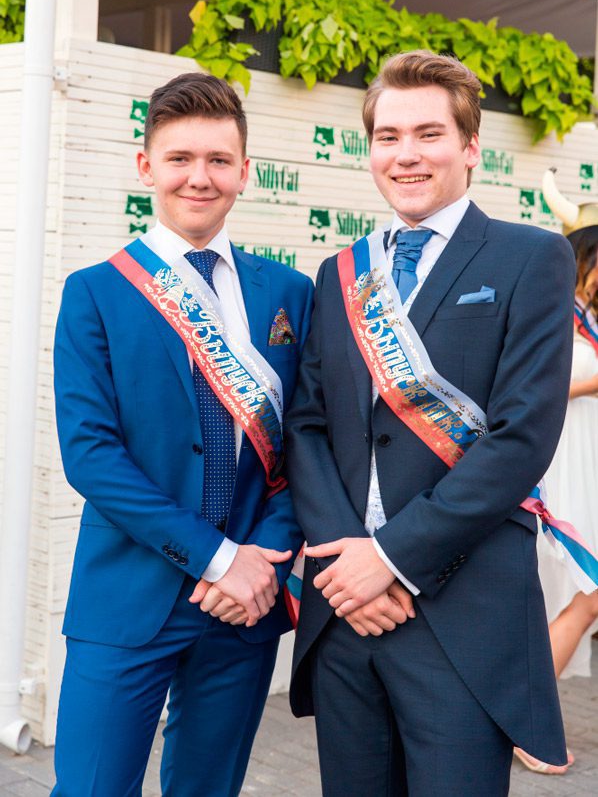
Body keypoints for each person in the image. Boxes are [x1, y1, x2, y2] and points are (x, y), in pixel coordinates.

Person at [285, 50, 575, 796]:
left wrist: (390, 558)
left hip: (462, 611)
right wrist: (348, 568)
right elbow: (307, 425)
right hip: (347, 612)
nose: (406, 154)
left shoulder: (532, 257)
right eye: (388, 137)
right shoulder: (339, 273)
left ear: (471, 146)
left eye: (429, 134)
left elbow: (521, 437)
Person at [52, 72, 313, 796]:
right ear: (146, 167)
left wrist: (262, 559)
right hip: (128, 597)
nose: (200, 177)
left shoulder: (289, 293)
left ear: (244, 172)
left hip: (244, 605)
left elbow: (309, 444)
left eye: (219, 160)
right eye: (180, 158)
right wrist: (219, 559)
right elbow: (91, 456)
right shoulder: (95, 292)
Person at [514, 214, 598, 774]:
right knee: (587, 595)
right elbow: (537, 389)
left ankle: (523, 717)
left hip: (584, 468)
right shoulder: (553, 315)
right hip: (558, 473)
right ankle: (527, 724)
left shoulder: (586, 320)